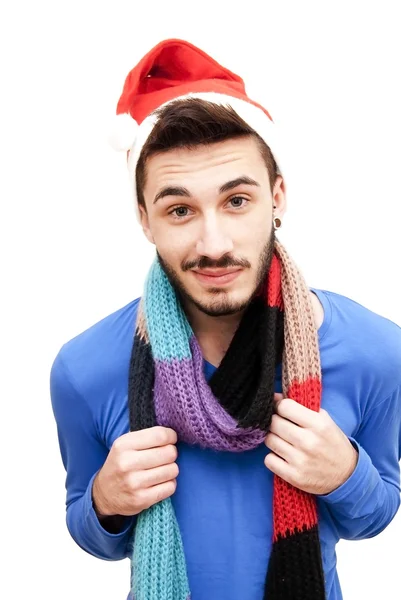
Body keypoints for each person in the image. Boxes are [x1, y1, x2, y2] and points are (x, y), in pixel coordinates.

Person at [50, 38, 401, 600]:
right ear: (145, 219)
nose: (214, 243)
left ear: (278, 197)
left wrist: (347, 476)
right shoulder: (84, 368)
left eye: (237, 201)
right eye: (180, 209)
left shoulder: (377, 351)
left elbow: (373, 516)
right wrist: (104, 501)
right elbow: (95, 534)